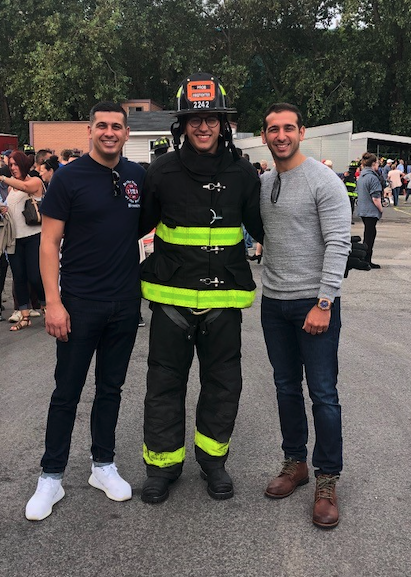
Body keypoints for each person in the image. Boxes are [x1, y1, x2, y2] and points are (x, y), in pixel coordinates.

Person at [139, 72, 263, 504]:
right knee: (163, 386)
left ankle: (214, 462)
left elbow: (265, 228)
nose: (204, 126)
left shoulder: (244, 174)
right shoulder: (160, 172)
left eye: (212, 117)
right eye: (194, 118)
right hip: (171, 302)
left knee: (223, 385)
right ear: (182, 124)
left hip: (223, 301)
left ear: (224, 122)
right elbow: (135, 227)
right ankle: (162, 466)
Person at [25, 101, 146, 521]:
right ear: (90, 132)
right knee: (67, 391)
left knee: (111, 389)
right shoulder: (69, 178)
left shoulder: (137, 177)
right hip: (78, 303)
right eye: (102, 126)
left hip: (125, 302)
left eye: (117, 126)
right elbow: (48, 244)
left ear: (127, 133)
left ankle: (103, 465)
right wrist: (53, 303)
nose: (109, 131)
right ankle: (51, 476)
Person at [259, 103, 351, 529]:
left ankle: (327, 479)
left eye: (289, 128)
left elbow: (338, 243)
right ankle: (294, 462)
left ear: (302, 132)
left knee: (324, 394)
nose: (281, 135)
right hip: (274, 304)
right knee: (284, 387)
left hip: (313, 304)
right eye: (274, 129)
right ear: (264, 136)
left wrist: (324, 301)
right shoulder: (264, 184)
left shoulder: (324, 180)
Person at [0, 150, 46, 331]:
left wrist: (2, 178)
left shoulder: (34, 182)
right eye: (10, 165)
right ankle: (25, 315)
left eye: (15, 164)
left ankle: (46, 306)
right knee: (19, 277)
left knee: (35, 275)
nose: (12, 168)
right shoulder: (11, 189)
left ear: (23, 165)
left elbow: (25, 188)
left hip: (34, 236)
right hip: (15, 238)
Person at [356, 152, 383, 269]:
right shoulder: (373, 177)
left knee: (368, 233)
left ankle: (364, 257)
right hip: (371, 210)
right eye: (377, 163)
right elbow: (376, 197)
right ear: (373, 163)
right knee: (370, 235)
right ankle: (366, 259)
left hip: (362, 209)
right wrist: (380, 209)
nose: (378, 165)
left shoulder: (362, 176)